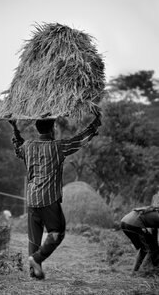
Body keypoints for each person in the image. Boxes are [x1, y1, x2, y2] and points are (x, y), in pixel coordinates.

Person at [9, 113, 101, 279]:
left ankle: (33, 272)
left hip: (32, 198)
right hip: (48, 199)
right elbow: (78, 141)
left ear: (38, 129)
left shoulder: (28, 146)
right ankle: (36, 259)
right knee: (57, 232)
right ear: (52, 129)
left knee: (34, 236)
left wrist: (14, 127)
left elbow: (18, 146)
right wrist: (94, 125)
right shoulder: (57, 147)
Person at [121, 206, 159, 273]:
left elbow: (154, 230)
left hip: (123, 222)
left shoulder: (152, 211)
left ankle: (134, 271)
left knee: (143, 248)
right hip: (134, 224)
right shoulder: (156, 215)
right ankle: (145, 270)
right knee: (153, 248)